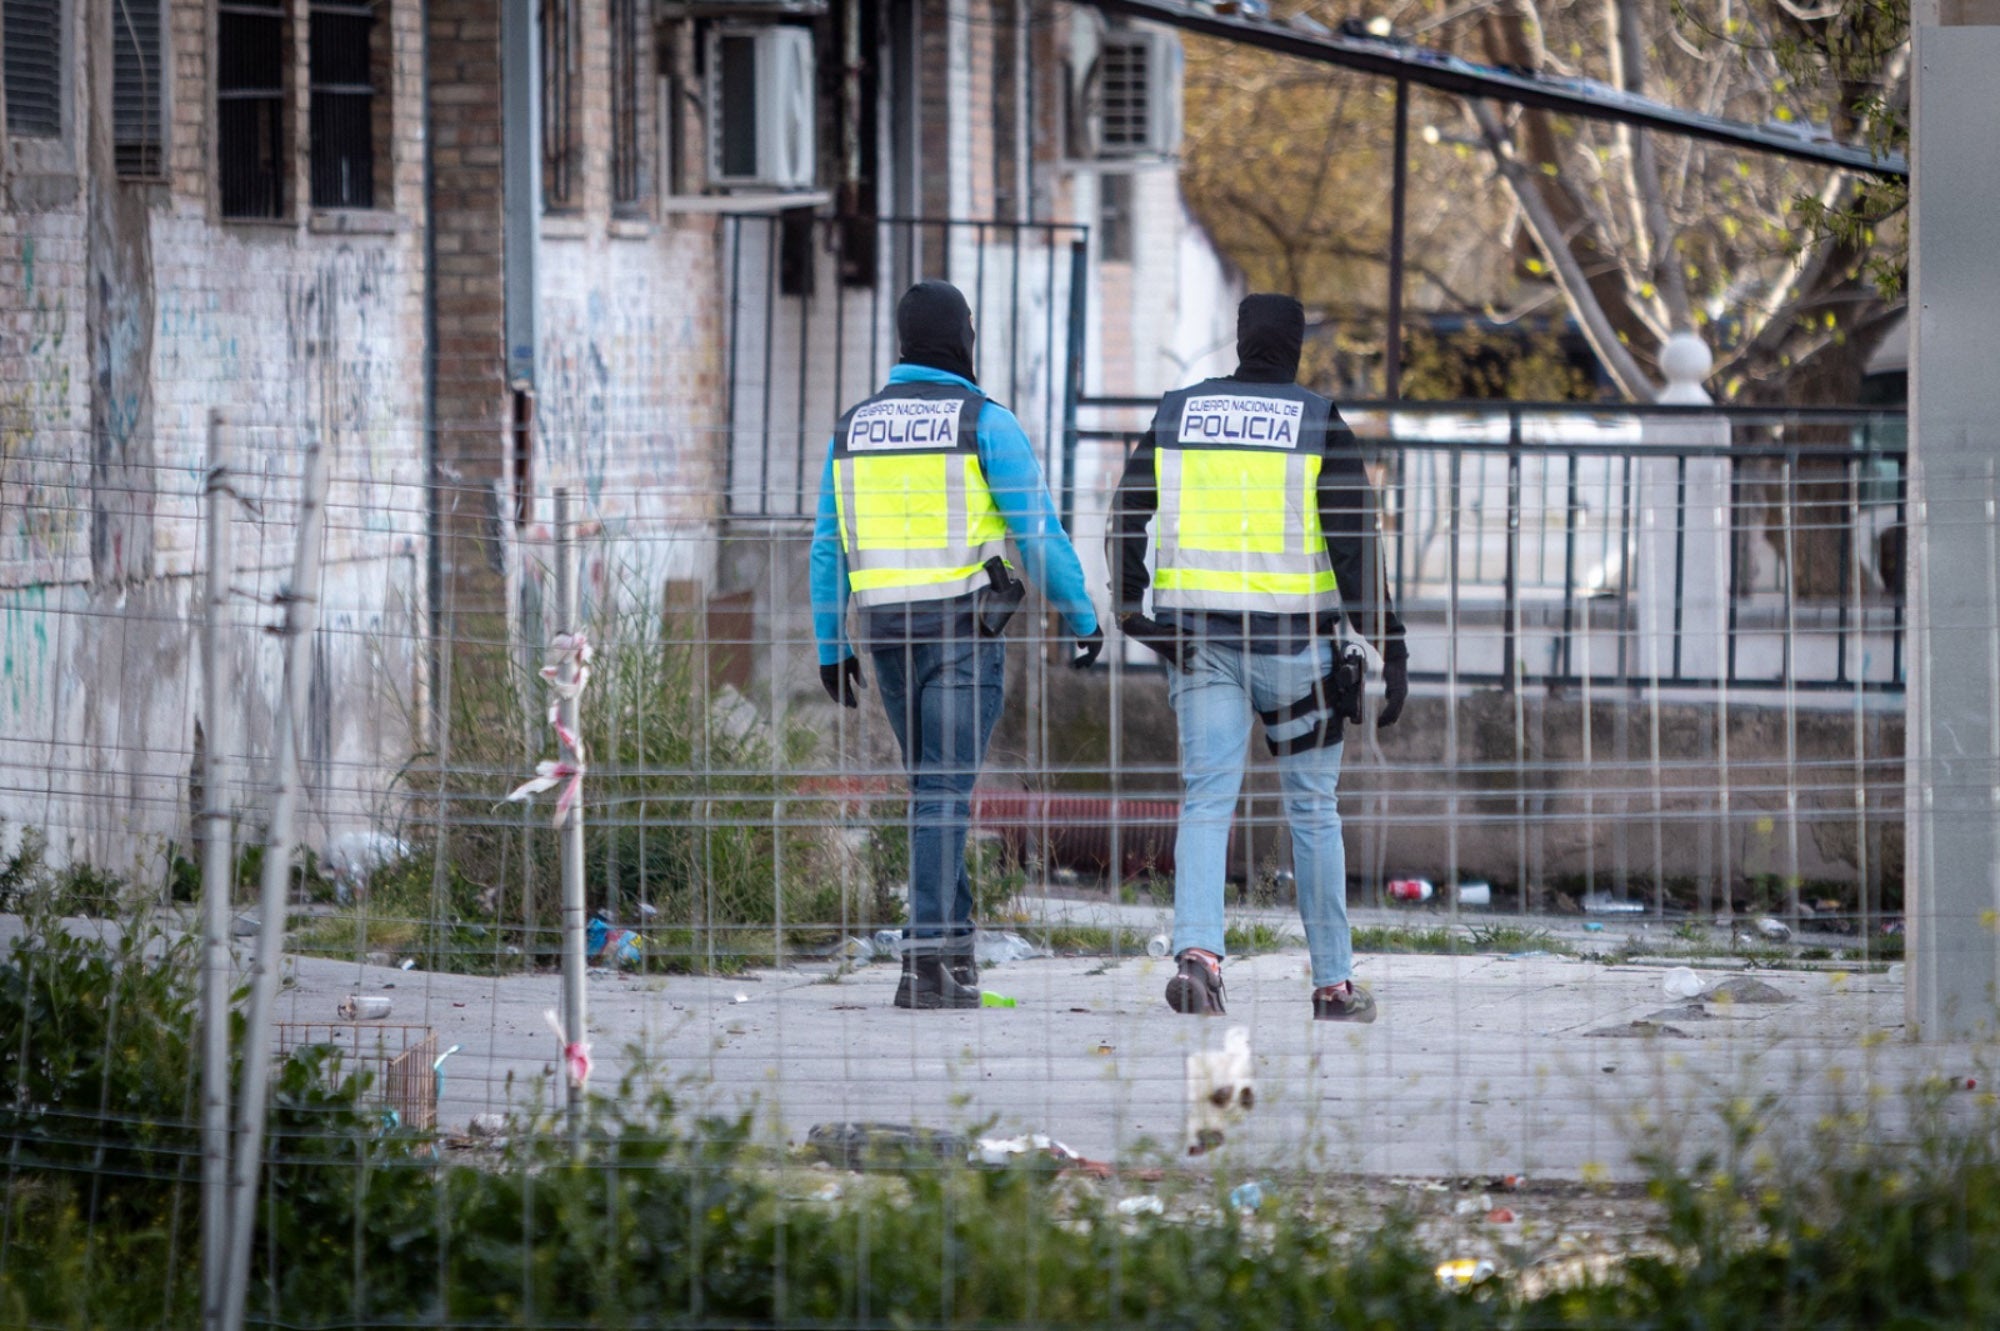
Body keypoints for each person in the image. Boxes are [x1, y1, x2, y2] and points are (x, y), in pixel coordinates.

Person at [1110, 293, 1407, 1023]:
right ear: (1296, 347)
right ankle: (1334, 986)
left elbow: (1127, 509)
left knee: (1207, 801)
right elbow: (1353, 545)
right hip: (1298, 652)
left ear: (1240, 341)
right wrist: (1387, 640)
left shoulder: (1179, 414)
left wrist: (1131, 606)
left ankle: (1199, 959)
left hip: (1200, 644)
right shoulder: (1315, 420)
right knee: (1313, 811)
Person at [811, 280, 1102, 1010]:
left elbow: (827, 545)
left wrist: (828, 642)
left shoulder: (853, 428)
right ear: (963, 337)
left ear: (905, 340)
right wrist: (1081, 614)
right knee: (943, 789)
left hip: (884, 634)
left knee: (934, 791)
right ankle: (925, 959)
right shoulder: (984, 422)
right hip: (961, 634)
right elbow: (1037, 533)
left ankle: (956, 949)